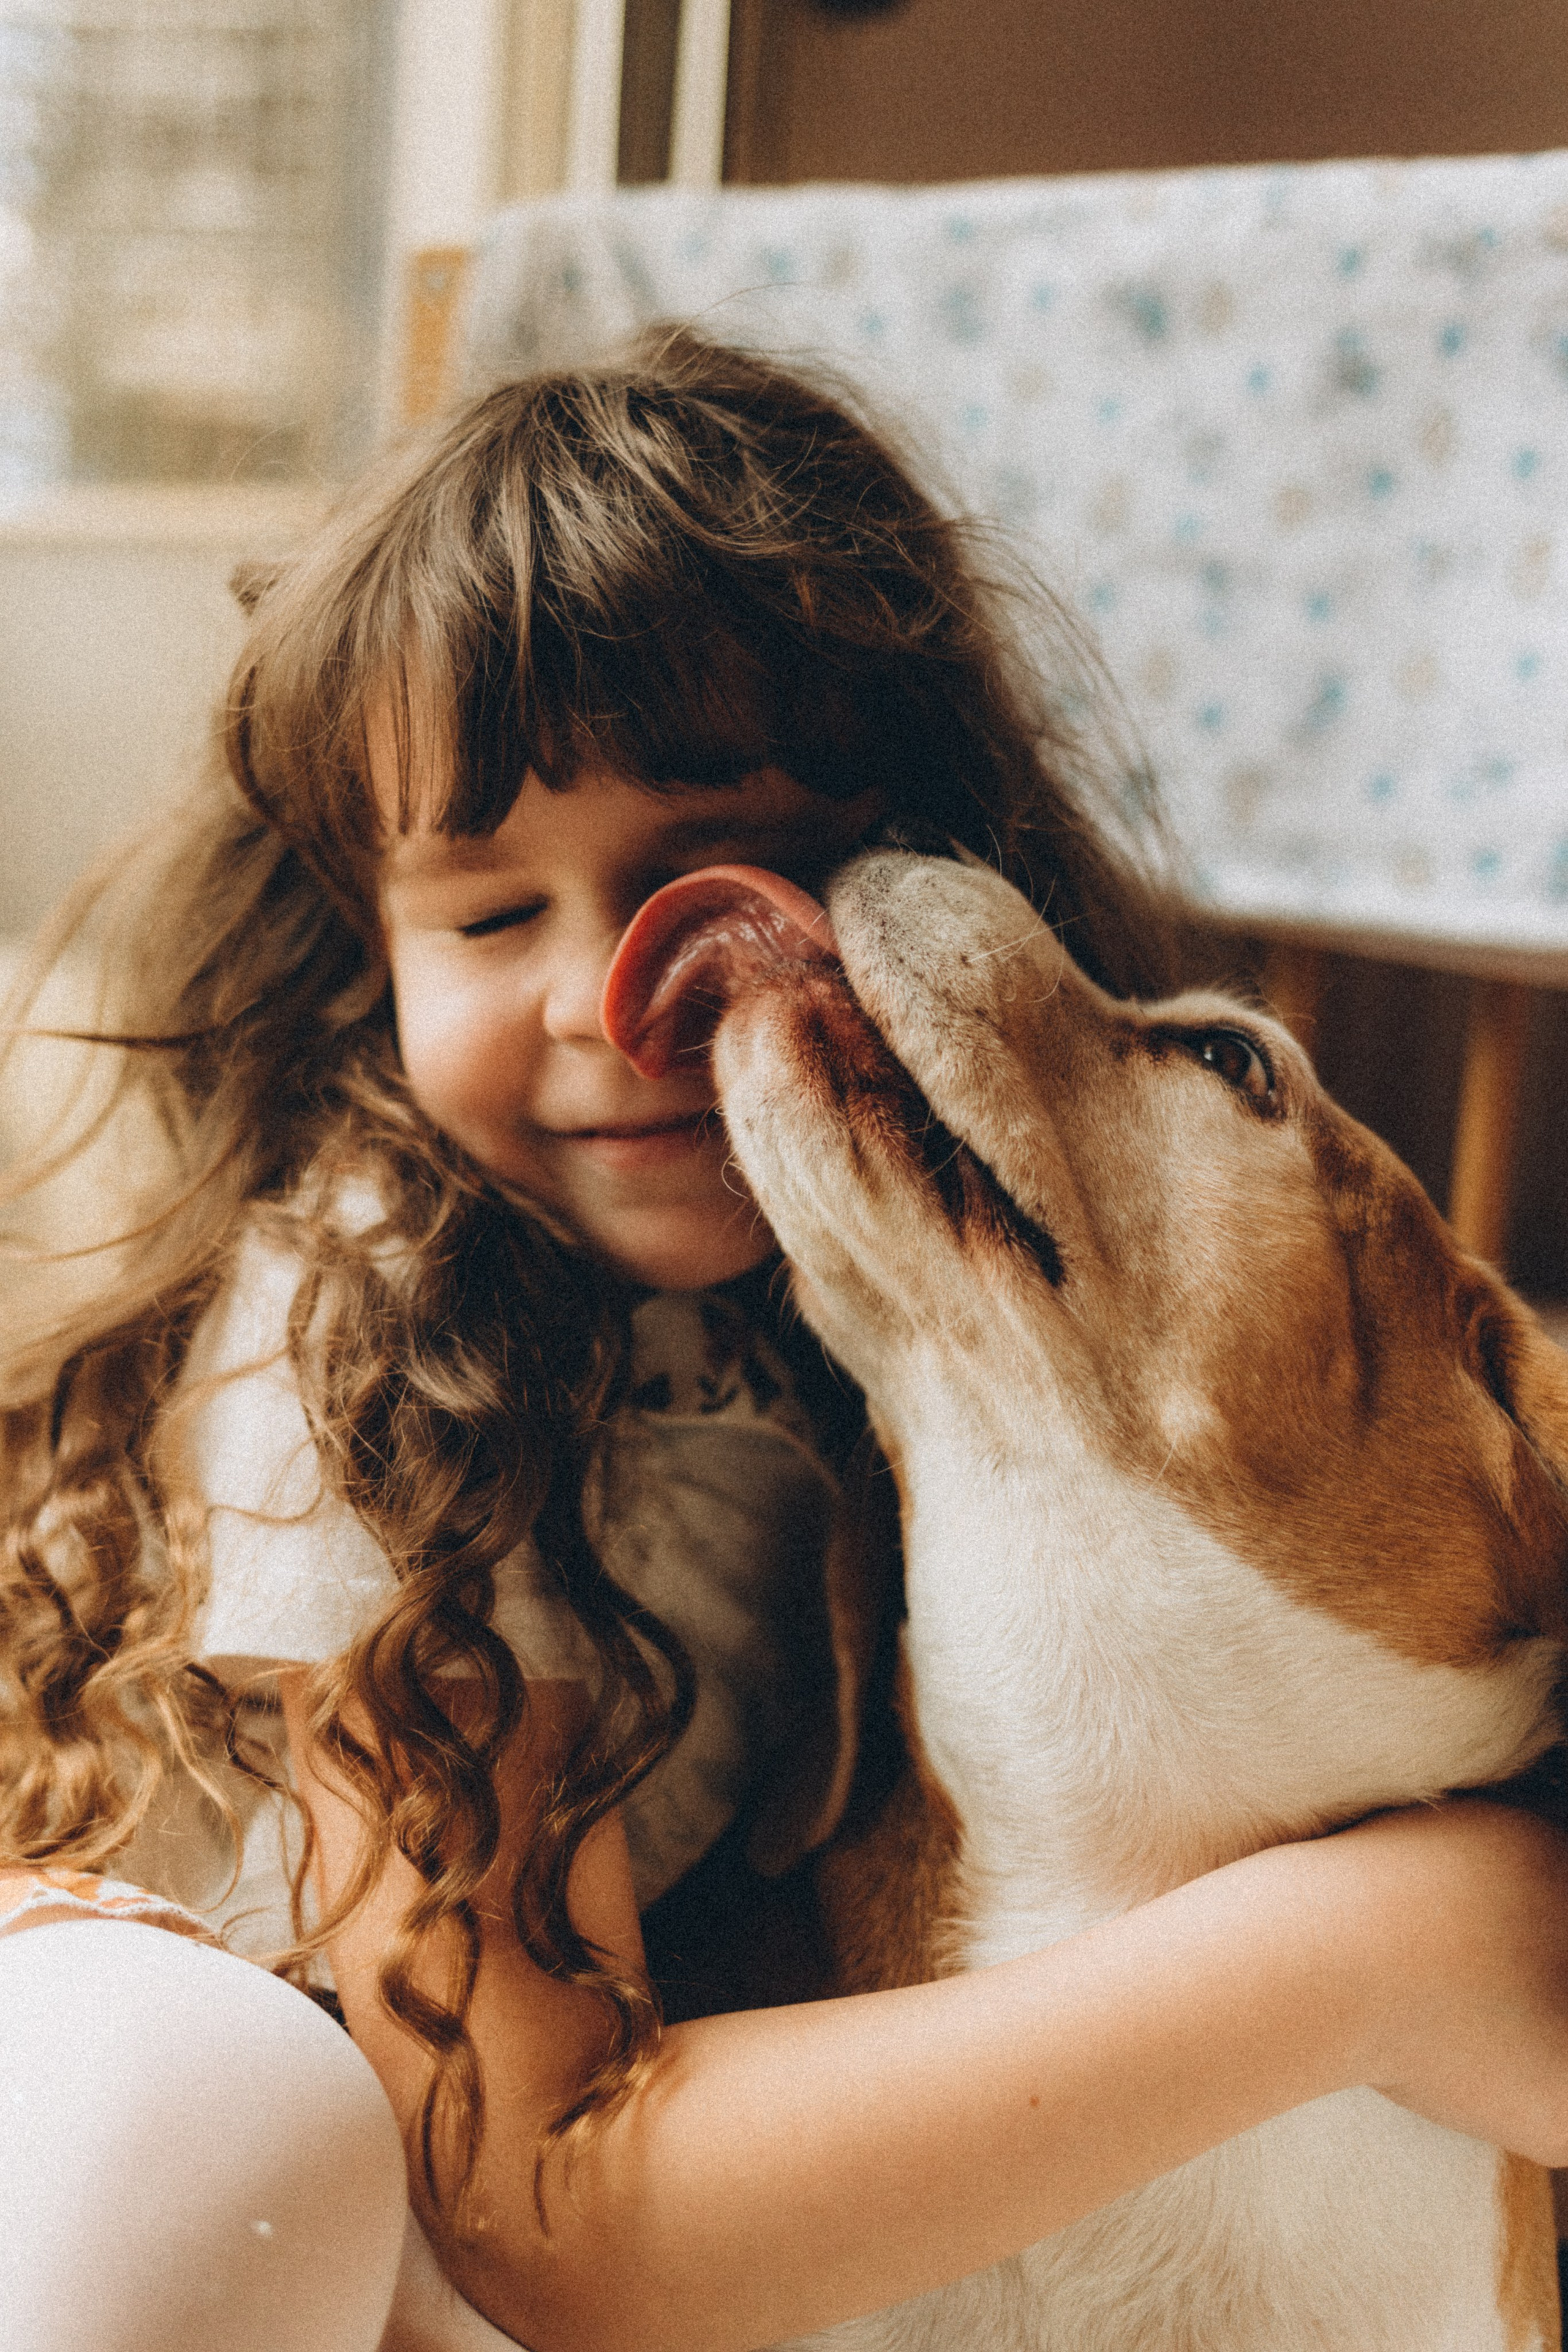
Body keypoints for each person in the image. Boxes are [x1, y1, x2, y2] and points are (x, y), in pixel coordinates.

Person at [2, 328, 1567, 2352]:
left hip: (511, 2175)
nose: (602, 997)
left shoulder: (908, 1280)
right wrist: (1377, 1955)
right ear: (365, 956)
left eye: (700, 871)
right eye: (489, 921)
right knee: (224, 2124)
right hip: (251, 2061)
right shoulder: (371, 1328)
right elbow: (540, 2187)